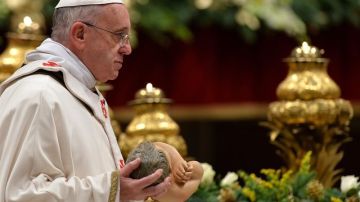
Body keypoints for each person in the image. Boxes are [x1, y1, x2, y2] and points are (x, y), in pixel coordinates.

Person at [0, 0, 171, 201]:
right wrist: (111, 191)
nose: (127, 49)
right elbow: (20, 195)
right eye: (119, 35)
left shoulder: (75, 90)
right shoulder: (39, 95)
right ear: (80, 34)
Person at [126, 141, 204, 202]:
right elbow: (196, 175)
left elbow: (159, 145)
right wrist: (195, 170)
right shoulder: (173, 191)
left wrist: (177, 160)